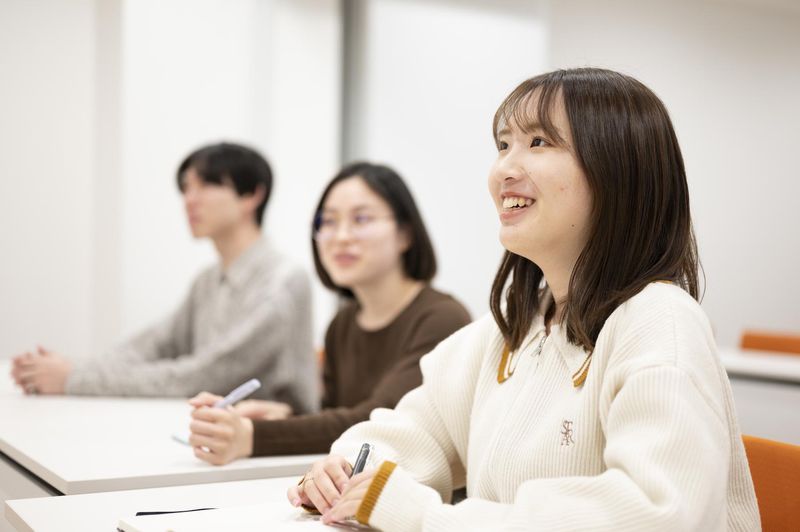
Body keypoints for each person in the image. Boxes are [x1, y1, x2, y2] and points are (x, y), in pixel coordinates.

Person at [288, 68, 761, 531]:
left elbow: (659, 515)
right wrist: (345, 470)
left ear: (618, 169)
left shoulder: (659, 321)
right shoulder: (520, 324)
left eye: (538, 142)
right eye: (503, 145)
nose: (504, 170)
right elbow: (415, 431)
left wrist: (419, 516)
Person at [186, 162, 471, 466]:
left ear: (405, 234)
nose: (341, 236)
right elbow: (340, 422)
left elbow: (376, 420)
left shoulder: (443, 319)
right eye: (328, 222)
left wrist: (254, 434)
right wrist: (286, 416)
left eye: (361, 219)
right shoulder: (344, 323)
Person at [10, 142, 318, 414]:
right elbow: (151, 345)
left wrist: (74, 379)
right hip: (212, 433)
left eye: (206, 185)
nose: (189, 199)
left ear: (252, 194)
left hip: (273, 451)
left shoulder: (283, 281)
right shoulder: (208, 280)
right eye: (185, 188)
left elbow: (206, 375)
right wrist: (73, 368)